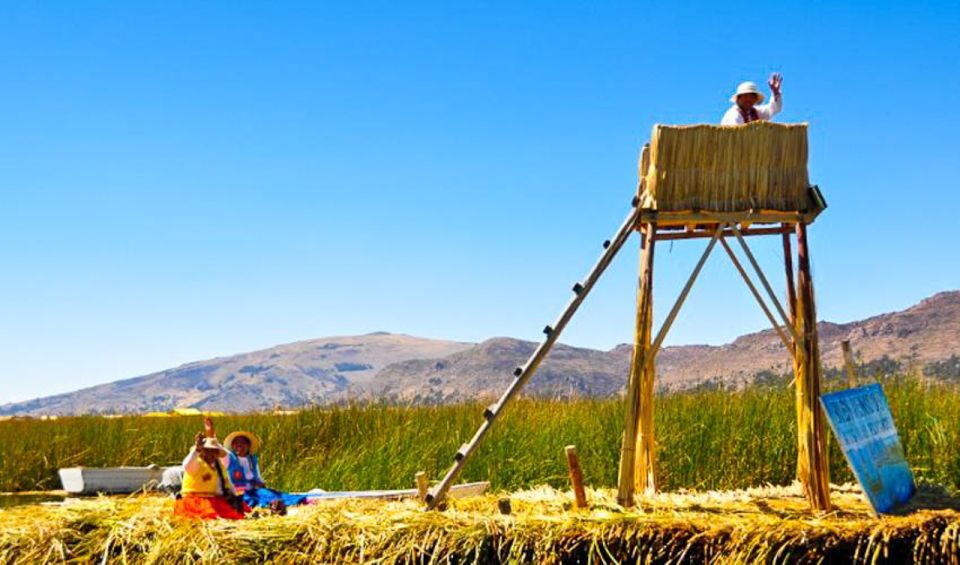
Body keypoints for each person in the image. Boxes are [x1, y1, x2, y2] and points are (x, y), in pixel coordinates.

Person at [225, 430, 307, 512]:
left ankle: (277, 503)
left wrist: (260, 484)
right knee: (250, 500)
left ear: (248, 446)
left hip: (253, 490)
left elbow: (257, 477)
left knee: (268, 494)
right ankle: (269, 506)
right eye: (236, 442)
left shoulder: (252, 460)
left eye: (243, 442)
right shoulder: (230, 459)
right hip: (238, 492)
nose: (239, 444)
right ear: (232, 446)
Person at [172, 432, 248, 520]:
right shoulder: (197, 462)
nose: (211, 454)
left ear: (217, 454)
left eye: (214, 451)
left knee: (237, 512)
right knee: (209, 515)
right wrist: (197, 449)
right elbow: (187, 465)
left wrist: (233, 497)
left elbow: (226, 483)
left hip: (213, 499)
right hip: (194, 500)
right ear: (202, 451)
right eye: (207, 450)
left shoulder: (219, 466)